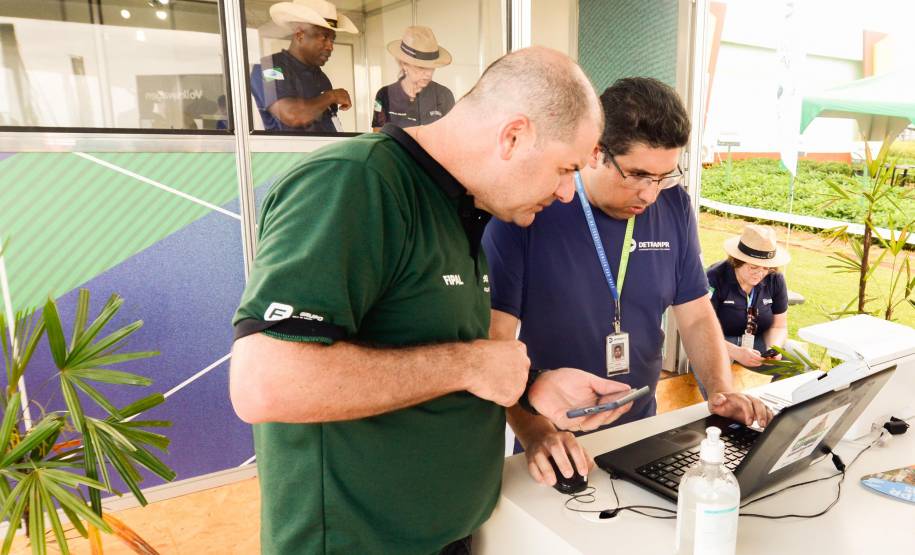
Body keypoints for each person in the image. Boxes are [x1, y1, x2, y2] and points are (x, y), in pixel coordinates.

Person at [230, 47, 630, 555]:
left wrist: (532, 392)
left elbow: (429, 352)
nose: (568, 193)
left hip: (448, 534)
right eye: (563, 169)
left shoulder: (461, 206)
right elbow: (265, 384)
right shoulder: (357, 182)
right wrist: (469, 364)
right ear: (514, 136)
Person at [483, 77, 773, 489]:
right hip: (556, 438)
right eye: (637, 175)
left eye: (662, 176)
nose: (650, 194)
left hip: (642, 431)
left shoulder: (674, 205)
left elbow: (693, 314)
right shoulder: (530, 209)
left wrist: (721, 392)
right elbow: (495, 343)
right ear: (595, 151)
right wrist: (533, 431)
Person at [253, 0, 357, 132]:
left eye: (332, 40)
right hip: (291, 152)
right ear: (300, 35)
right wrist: (331, 96)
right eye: (324, 38)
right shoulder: (269, 68)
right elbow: (292, 115)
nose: (330, 47)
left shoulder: (320, 76)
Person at [706, 224, 794, 369]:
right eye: (753, 267)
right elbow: (702, 334)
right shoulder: (714, 278)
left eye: (766, 267)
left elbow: (778, 326)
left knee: (798, 360)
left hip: (757, 342)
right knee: (717, 366)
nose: (760, 274)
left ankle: (770, 393)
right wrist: (736, 352)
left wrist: (773, 349)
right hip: (719, 344)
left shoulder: (775, 279)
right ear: (737, 261)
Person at [371, 26, 455, 131]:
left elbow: (451, 136)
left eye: (431, 67)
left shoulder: (444, 95)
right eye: (420, 67)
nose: (428, 74)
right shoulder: (384, 95)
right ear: (404, 64)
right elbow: (378, 137)